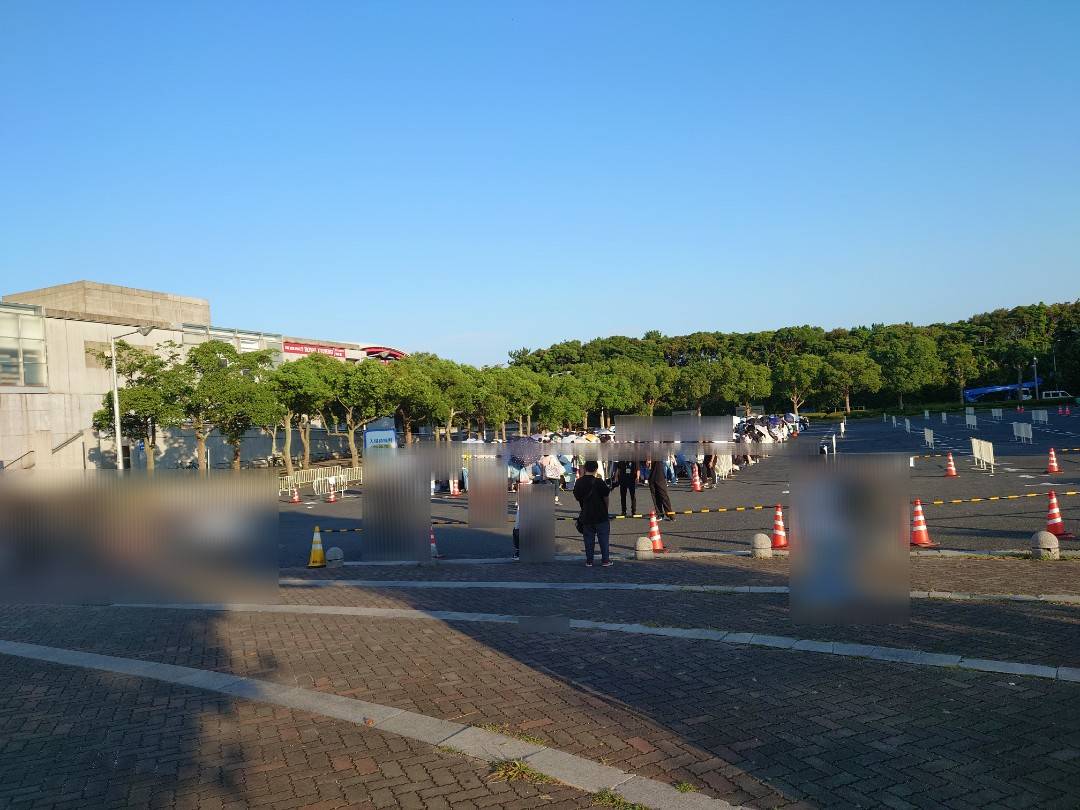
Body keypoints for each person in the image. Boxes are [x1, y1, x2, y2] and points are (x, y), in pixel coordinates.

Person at [573, 459, 612, 567]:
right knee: (603, 539)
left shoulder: (579, 482)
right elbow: (606, 496)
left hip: (586, 514)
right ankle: (605, 560)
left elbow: (577, 497)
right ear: (596, 469)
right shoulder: (599, 482)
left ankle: (589, 561)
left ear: (585, 468)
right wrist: (606, 509)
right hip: (601, 514)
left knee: (588, 540)